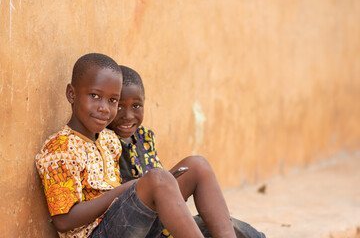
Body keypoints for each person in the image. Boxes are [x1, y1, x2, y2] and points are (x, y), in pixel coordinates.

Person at [35, 53, 235, 238]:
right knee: (157, 178)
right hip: (97, 233)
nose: (104, 108)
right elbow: (63, 221)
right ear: (71, 94)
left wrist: (141, 188)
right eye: (94, 96)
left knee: (196, 166)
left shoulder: (108, 140)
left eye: (112, 100)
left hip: (125, 222)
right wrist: (126, 190)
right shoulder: (59, 149)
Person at [107, 65, 266, 238]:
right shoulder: (103, 140)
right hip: (127, 223)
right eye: (120, 106)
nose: (129, 115)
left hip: (156, 220)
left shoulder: (144, 137)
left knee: (199, 170)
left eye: (136, 105)